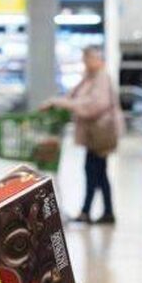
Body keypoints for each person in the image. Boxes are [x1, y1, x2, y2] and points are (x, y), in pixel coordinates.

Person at [50, 45, 122, 224]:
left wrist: (66, 105)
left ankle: (94, 211)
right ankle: (97, 211)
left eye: (87, 59)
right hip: (93, 135)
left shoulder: (102, 78)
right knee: (96, 172)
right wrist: (57, 102)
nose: (85, 62)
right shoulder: (89, 77)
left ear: (96, 59)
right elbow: (74, 96)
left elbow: (95, 105)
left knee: (95, 172)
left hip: (101, 134)